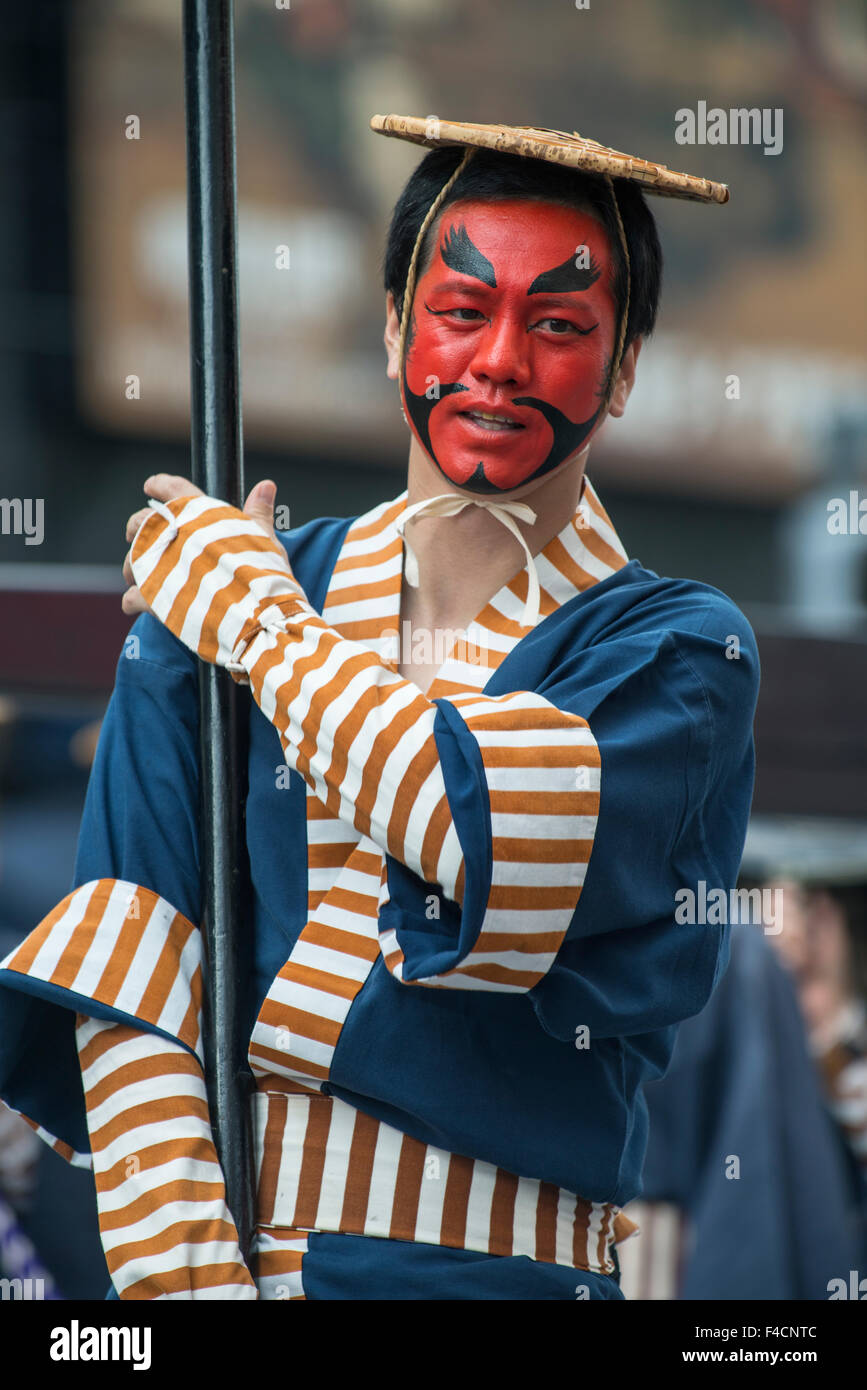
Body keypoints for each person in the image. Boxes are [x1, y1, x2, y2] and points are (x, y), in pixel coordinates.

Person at [0, 117, 758, 1300]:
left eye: (558, 326)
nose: (500, 360)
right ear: (395, 323)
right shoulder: (232, 592)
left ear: (625, 364)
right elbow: (133, 971)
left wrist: (260, 634)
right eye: (462, 311)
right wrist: (187, 1291)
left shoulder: (675, 645)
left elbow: (487, 833)